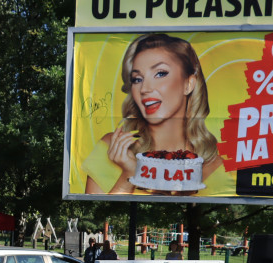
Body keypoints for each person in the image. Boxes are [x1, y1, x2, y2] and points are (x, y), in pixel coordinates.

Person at [82, 33, 221, 195]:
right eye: (137, 79)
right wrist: (128, 174)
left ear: (188, 84)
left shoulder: (214, 164)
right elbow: (97, 216)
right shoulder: (112, 148)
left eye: (160, 73)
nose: (145, 89)